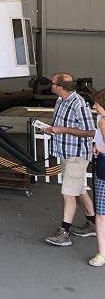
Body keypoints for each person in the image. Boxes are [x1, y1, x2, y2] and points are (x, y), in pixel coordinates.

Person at [42, 72, 97, 246]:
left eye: (52, 83)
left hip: (76, 155)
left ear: (60, 87)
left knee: (68, 193)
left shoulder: (79, 104)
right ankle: (93, 224)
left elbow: (90, 131)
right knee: (79, 190)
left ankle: (64, 232)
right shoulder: (61, 100)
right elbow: (62, 126)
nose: (50, 85)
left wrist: (61, 130)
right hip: (66, 152)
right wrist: (51, 129)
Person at [88, 90, 105, 266]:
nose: (94, 106)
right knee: (101, 213)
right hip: (102, 164)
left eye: (97, 104)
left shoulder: (102, 122)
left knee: (102, 213)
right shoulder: (99, 120)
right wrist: (96, 146)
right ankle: (102, 253)